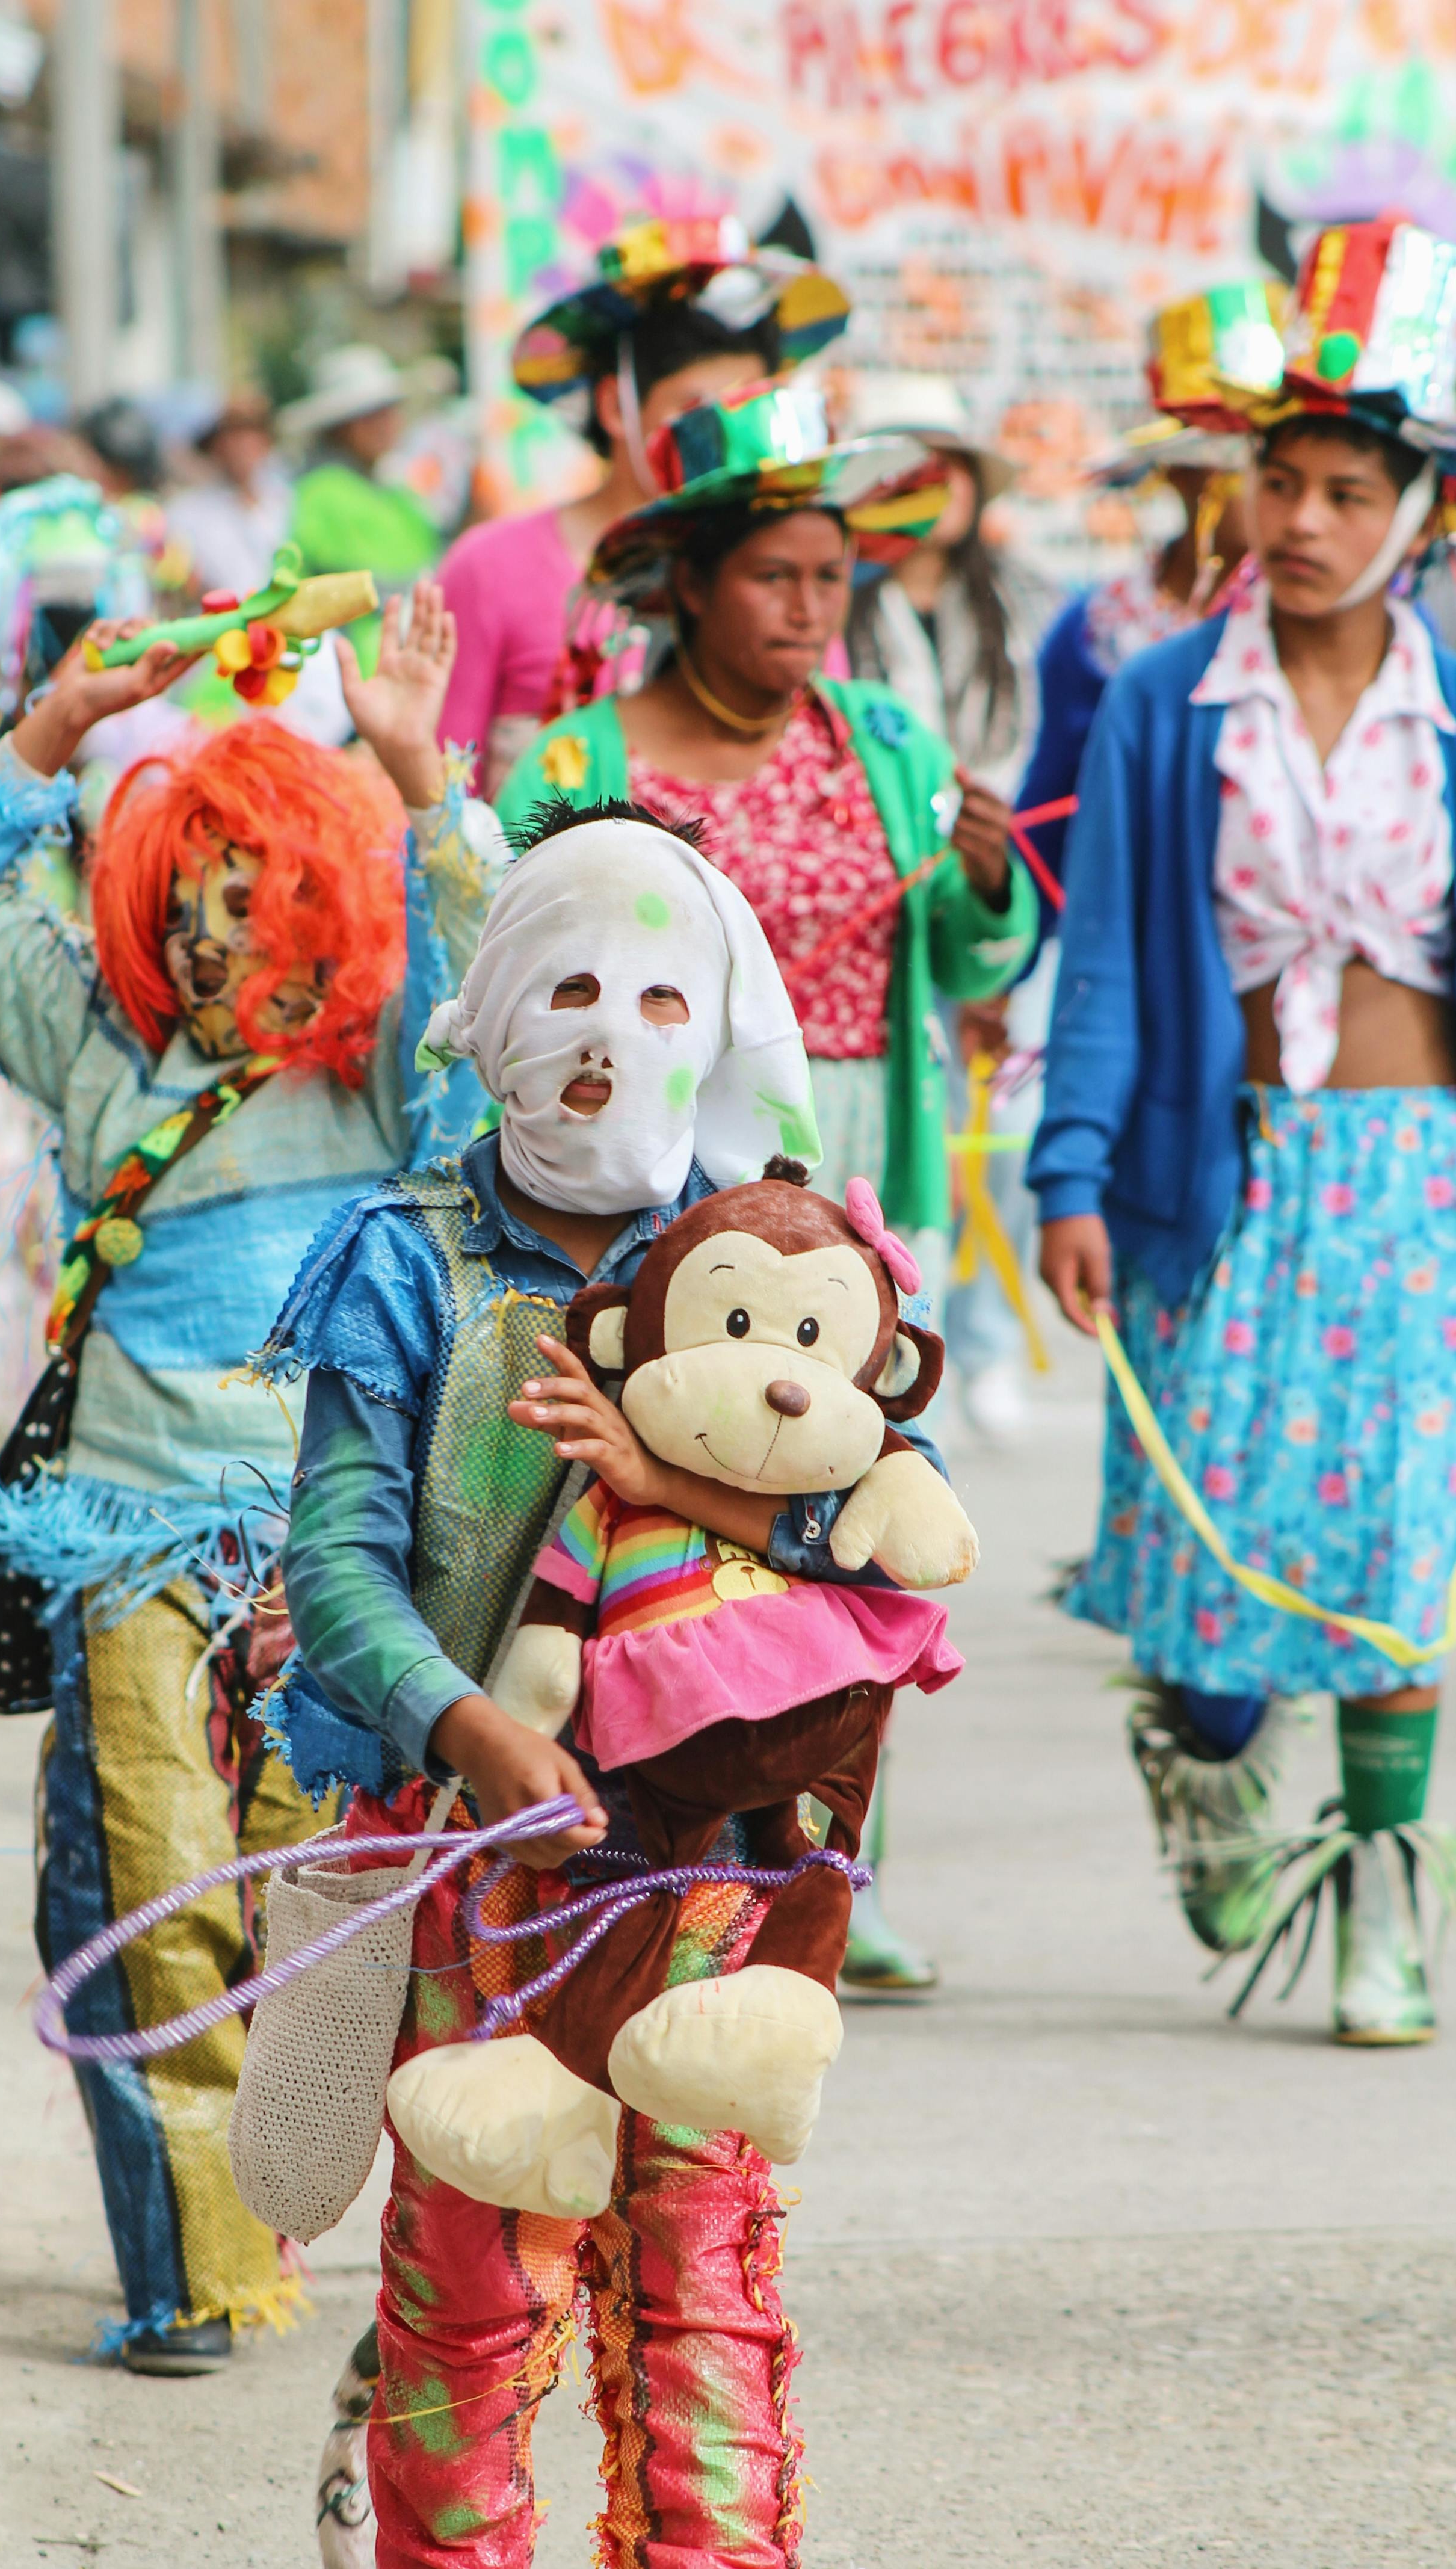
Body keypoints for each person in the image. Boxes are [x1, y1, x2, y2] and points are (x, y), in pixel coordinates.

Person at [263, 798, 928, 2565]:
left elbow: (879, 1529)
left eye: (657, 1000)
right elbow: (335, 1562)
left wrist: (669, 1485)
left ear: (714, 1025)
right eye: (565, 988)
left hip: (711, 1874)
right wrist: (471, 1727)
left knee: (701, 2291)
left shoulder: (767, 1260)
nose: (606, 1038)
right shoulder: (404, 1257)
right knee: (466, 2300)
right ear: (492, 1011)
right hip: (468, 1867)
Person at [0, 557, 499, 2370]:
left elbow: (488, 1001)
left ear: (326, 907)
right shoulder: (102, 1053)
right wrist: (61, 722)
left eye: (264, 905)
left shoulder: (383, 1074)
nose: (225, 948)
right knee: (141, 1890)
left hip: (330, 1551)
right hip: (129, 1540)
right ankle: (193, 2270)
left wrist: (418, 774)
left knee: (320, 1910)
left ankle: (296, 2208)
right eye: (195, 910)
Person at [491, 375, 1039, 1995]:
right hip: (668, 1198)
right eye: (771, 576)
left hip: (858, 1186)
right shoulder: (581, 755)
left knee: (848, 1514)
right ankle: (637, 1842)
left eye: (830, 577)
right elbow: (519, 961)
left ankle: (828, 1860)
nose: (809, 608)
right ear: (685, 584)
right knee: (651, 1511)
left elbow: (965, 956)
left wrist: (988, 886)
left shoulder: (884, 741)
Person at [1030, 217, 1456, 2045]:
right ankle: (1203, 1769)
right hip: (1221, 1177)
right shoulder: (1159, 703)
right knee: (1205, 1566)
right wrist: (1069, 1171)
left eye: (1344, 490)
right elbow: (1108, 960)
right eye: (1276, 481)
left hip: (1418, 1182)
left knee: (1396, 1553)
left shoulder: (1447, 706)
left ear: (1417, 509)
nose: (1297, 519)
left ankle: (1379, 1906)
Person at [439, 217, 852, 794]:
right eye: (697, 411)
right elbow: (440, 789)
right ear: (616, 407)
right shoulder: (490, 569)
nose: (728, 438)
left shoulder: (783, 576)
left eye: (747, 408)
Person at [841, 371, 1061, 1443]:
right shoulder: (834, 606)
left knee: (1008, 1129)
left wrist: (1001, 923)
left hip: (1009, 907)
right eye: (907, 467)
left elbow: (1046, 769)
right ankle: (892, 1340)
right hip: (882, 922)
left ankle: (982, 1345)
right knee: (898, 1138)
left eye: (948, 465)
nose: (932, 488)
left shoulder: (1024, 604)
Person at [1015, 282, 1277, 895]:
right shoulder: (1097, 629)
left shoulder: (1331, 623)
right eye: (1235, 468)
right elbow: (1050, 807)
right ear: (1179, 473)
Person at [287, 346, 440, 673]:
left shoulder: (397, 492)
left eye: (389, 411)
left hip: (403, 655)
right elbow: (357, 586)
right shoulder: (321, 491)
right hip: (353, 666)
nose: (387, 423)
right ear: (341, 427)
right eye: (371, 415)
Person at [165, 391, 293, 601]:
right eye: (232, 436)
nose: (241, 446)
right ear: (216, 446)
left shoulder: (288, 501)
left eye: (250, 434)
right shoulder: (186, 514)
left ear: (266, 442)